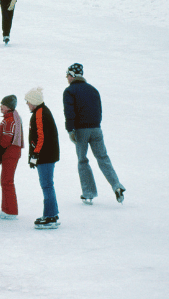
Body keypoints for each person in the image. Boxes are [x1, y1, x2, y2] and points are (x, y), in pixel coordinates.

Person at [63, 63, 126, 204]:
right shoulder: (93, 90)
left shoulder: (70, 91)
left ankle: (88, 192)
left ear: (72, 75)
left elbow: (69, 112)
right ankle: (117, 185)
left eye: (67, 74)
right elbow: (99, 110)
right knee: (103, 158)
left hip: (81, 130)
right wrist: (96, 125)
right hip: (96, 129)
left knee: (82, 160)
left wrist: (70, 130)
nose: (66, 78)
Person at [25, 87, 60, 229]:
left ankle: (50, 216)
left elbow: (41, 136)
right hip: (47, 155)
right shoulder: (41, 111)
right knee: (48, 184)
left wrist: (35, 154)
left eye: (28, 102)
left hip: (45, 156)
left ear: (34, 102)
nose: (27, 104)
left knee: (47, 185)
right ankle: (52, 213)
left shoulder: (40, 113)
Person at [0, 94, 23, 219]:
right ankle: (6, 208)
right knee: (6, 181)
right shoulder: (12, 118)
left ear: (8, 107)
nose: (1, 106)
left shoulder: (9, 120)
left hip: (10, 153)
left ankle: (10, 210)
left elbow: (6, 140)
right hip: (11, 153)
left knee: (7, 181)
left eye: (3, 104)